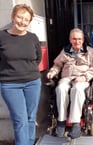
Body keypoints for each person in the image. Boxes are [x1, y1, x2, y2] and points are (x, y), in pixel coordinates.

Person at [46, 28, 93, 138]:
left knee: (78, 89)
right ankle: (61, 121)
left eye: (79, 39)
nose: (77, 41)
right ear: (70, 39)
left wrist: (84, 77)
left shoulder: (91, 52)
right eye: (74, 39)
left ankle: (76, 123)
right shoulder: (65, 51)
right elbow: (57, 65)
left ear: (83, 39)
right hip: (67, 78)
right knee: (60, 88)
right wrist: (53, 72)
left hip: (82, 79)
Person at [0, 4, 42, 145]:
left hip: (33, 82)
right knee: (20, 120)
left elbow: (38, 58)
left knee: (30, 118)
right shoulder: (1, 36)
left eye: (26, 19)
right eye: (19, 17)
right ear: (12, 17)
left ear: (29, 22)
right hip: (10, 85)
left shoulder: (33, 38)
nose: (22, 22)